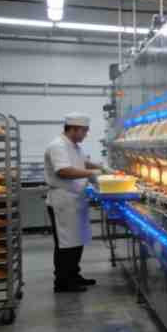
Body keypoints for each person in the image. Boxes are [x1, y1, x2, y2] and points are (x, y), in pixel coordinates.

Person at [44, 113, 106, 292]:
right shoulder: (57, 145)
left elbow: (82, 162)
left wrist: (100, 167)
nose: (86, 135)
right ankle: (63, 282)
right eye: (84, 131)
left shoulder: (74, 146)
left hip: (76, 199)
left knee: (76, 241)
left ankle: (74, 275)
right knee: (65, 244)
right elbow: (63, 170)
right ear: (73, 129)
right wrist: (91, 174)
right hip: (63, 201)